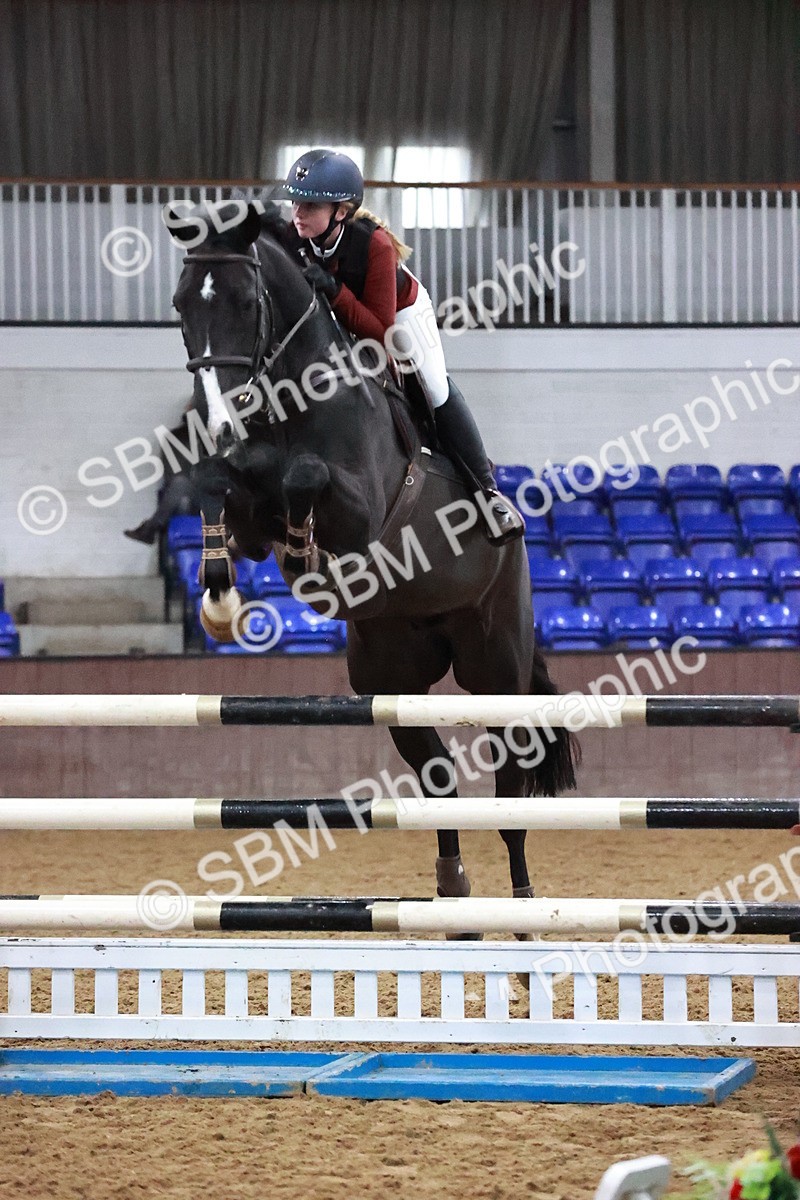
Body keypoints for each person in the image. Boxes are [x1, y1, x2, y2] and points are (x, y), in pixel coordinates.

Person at [275, 148, 524, 545]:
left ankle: (487, 492)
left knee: (434, 385)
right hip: (337, 313)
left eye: (310, 204)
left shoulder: (375, 246)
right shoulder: (293, 237)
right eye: (295, 202)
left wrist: (337, 294)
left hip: (400, 315)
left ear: (341, 211)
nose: (298, 212)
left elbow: (378, 331)